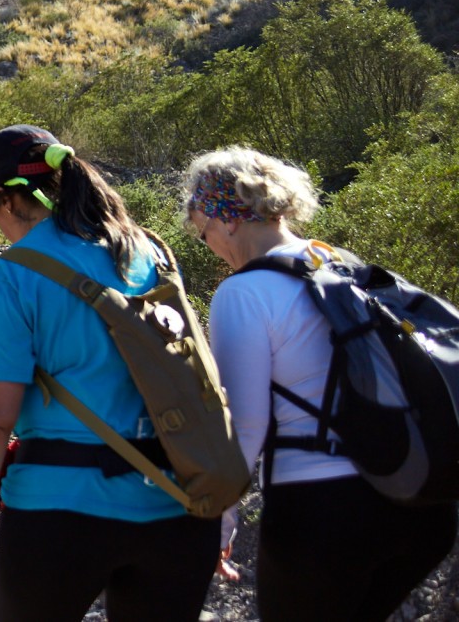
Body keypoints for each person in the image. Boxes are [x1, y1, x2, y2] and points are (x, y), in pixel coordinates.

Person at [0, 125, 219, 620]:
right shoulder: (149, 252)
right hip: (178, 504)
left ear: (7, 201)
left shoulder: (13, 275)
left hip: (59, 513)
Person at [181, 147, 457, 622]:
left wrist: (217, 519)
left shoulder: (242, 293)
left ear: (223, 219)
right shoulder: (342, 264)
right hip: (425, 507)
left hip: (323, 512)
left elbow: (244, 426)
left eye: (202, 231)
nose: (209, 244)